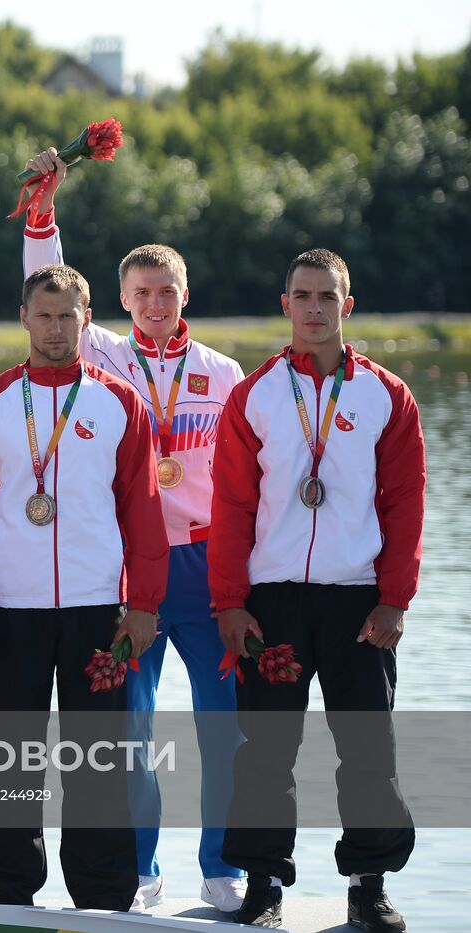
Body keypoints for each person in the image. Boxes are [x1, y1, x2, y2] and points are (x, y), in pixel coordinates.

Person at [21, 147, 249, 912]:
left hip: (211, 567)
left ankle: (225, 867)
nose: (155, 303)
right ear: (117, 300)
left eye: (167, 291)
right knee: (130, 735)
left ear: (187, 294)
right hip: (134, 571)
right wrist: (43, 215)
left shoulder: (223, 374)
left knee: (224, 730)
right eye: (142, 292)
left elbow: (256, 482)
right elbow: (49, 282)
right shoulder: (105, 357)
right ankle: (142, 869)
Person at [208, 249, 421, 931]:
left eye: (327, 296)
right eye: (302, 295)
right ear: (285, 304)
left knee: (367, 747)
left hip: (359, 598)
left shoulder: (386, 393)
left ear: (347, 306)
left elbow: (406, 503)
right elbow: (232, 505)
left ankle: (369, 882)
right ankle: (264, 883)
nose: (314, 308)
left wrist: (396, 596)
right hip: (273, 601)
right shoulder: (255, 394)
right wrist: (230, 601)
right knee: (266, 749)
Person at [0, 263, 168, 909]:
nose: (54, 327)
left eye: (66, 315)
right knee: (9, 758)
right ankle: (6, 890)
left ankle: (103, 897)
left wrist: (146, 605)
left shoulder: (117, 399)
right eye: (43, 314)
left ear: (87, 318)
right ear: (24, 317)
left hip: (97, 607)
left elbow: (144, 513)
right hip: (12, 608)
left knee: (97, 758)